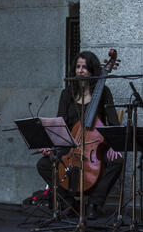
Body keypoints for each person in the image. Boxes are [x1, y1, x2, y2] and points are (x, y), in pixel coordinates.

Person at [36, 51, 123, 220]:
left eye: (85, 67)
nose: (81, 71)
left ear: (92, 70)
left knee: (118, 161)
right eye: (78, 67)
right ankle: (70, 203)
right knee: (44, 164)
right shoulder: (67, 93)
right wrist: (51, 144)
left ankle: (94, 203)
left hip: (96, 147)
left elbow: (113, 121)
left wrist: (114, 145)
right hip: (71, 146)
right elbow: (60, 124)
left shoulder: (103, 91)